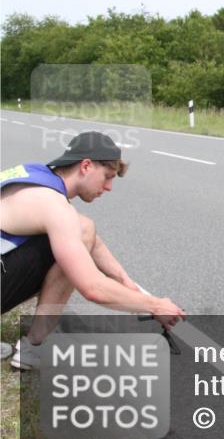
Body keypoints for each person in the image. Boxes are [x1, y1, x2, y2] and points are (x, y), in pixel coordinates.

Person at [1, 131, 186, 370]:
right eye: (107, 177)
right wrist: (153, 305)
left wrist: (126, 283)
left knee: (83, 230)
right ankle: (35, 346)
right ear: (86, 165)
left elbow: (91, 238)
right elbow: (93, 288)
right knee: (73, 248)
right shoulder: (54, 207)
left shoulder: (36, 177)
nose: (108, 187)